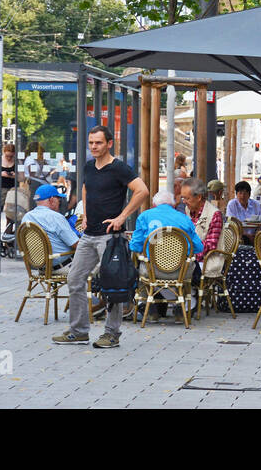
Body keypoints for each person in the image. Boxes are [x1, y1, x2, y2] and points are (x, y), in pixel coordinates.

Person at [53, 125, 149, 349]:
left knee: (112, 285)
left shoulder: (119, 168)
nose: (94, 146)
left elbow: (142, 191)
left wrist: (122, 217)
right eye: (91, 143)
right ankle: (78, 331)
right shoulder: (88, 167)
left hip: (110, 238)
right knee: (74, 279)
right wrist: (84, 214)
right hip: (88, 235)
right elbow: (86, 189)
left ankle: (111, 334)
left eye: (98, 142)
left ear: (109, 143)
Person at [129, 189, 203, 322]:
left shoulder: (144, 216)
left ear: (154, 205)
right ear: (173, 206)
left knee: (140, 269)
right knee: (191, 269)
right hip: (180, 272)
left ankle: (149, 309)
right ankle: (181, 308)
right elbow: (198, 247)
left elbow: (135, 246)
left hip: (153, 271)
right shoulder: (184, 219)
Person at [21, 183, 81, 267]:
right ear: (51, 200)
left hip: (40, 266)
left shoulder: (26, 218)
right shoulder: (56, 217)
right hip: (63, 265)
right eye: (58, 199)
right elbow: (76, 244)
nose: (59, 202)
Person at [182, 176, 223, 261]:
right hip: (190, 260)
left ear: (199, 197)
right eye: (183, 198)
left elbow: (210, 246)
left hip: (207, 263)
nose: (184, 201)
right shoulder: (188, 209)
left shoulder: (214, 214)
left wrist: (188, 254)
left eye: (187, 198)